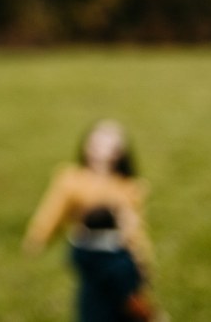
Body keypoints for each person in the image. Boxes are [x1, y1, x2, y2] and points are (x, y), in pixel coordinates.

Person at [23, 119, 153, 272]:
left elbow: (133, 226)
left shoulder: (128, 187)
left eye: (108, 143)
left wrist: (141, 257)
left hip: (116, 250)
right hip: (86, 247)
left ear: (120, 151)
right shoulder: (72, 180)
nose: (101, 149)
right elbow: (52, 212)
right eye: (97, 143)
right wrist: (37, 239)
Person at [70, 206, 153, 322]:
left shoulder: (83, 253)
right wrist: (149, 316)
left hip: (90, 314)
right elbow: (132, 303)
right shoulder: (120, 265)